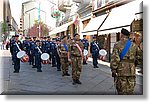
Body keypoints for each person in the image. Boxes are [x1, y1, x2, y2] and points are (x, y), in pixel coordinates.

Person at [110, 28, 142, 95]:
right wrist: (133, 64)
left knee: (121, 90)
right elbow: (140, 57)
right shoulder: (134, 45)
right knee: (130, 91)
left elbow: (115, 59)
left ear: (121, 34)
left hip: (121, 71)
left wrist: (113, 70)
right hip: (131, 71)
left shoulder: (117, 44)